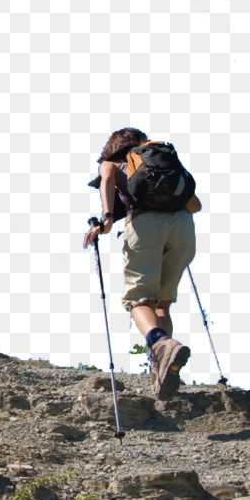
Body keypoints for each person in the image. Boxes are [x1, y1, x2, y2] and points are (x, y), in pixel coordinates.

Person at [84, 128, 202, 400]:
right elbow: (195, 205)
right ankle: (162, 371)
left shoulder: (112, 161)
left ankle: (160, 345)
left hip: (145, 224)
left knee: (138, 300)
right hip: (183, 228)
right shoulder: (164, 161)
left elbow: (107, 179)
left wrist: (108, 218)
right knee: (162, 302)